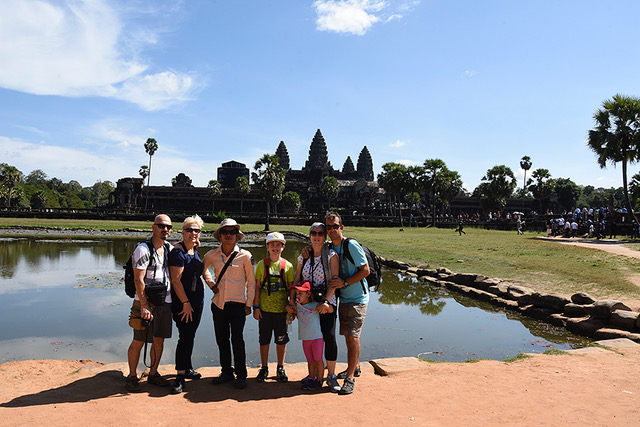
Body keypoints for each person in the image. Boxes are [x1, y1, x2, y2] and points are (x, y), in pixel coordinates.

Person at [203, 218, 255, 390]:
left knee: (237, 340)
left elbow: (251, 282)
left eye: (232, 232)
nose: (228, 235)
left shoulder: (245, 256)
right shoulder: (212, 255)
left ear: (236, 235)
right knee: (222, 340)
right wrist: (211, 284)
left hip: (238, 304)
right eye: (225, 232)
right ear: (220, 235)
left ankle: (241, 375)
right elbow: (204, 270)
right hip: (219, 304)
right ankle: (226, 372)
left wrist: (249, 304)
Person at [126, 214, 174, 392]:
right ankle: (132, 376)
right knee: (138, 340)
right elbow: (139, 280)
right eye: (161, 226)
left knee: (159, 340)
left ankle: (153, 373)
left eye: (168, 227)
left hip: (164, 301)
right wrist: (144, 305)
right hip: (144, 302)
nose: (165, 230)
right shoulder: (143, 249)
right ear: (153, 227)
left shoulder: (168, 248)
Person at [291, 222, 340, 392]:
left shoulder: (331, 255)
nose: (317, 236)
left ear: (325, 236)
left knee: (329, 336)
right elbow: (296, 280)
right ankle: (313, 375)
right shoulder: (303, 256)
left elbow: (334, 281)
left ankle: (331, 375)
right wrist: (292, 302)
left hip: (326, 302)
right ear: (310, 235)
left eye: (320, 233)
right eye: (314, 233)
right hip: (307, 304)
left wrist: (326, 301)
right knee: (310, 337)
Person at [325, 211, 370, 395]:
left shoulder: (351, 244)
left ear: (341, 227)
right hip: (343, 298)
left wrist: (344, 282)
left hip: (357, 297)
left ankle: (350, 378)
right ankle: (356, 367)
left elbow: (365, 270)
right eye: (328, 227)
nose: (332, 230)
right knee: (347, 336)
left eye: (335, 226)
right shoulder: (330, 248)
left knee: (353, 337)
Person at [168, 215, 210, 394]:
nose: (193, 233)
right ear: (182, 231)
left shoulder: (194, 249)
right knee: (184, 336)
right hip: (183, 302)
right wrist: (185, 302)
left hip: (197, 301)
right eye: (189, 230)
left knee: (190, 334)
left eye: (196, 230)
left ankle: (188, 368)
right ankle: (179, 376)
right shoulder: (178, 252)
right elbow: (176, 281)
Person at [252, 232, 295, 383]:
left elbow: (292, 289)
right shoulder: (261, 265)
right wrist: (255, 307)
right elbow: (257, 287)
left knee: (281, 340)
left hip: (282, 311)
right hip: (264, 310)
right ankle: (264, 367)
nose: (275, 248)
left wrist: (292, 306)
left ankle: (280, 367)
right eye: (272, 245)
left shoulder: (288, 266)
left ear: (283, 247)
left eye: (278, 245)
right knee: (264, 339)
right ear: (267, 247)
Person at [293, 281, 324, 391]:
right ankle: (311, 378)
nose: (297, 296)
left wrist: (325, 305)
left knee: (318, 360)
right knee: (310, 361)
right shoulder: (298, 305)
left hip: (317, 338)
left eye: (300, 293)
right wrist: (289, 308)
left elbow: (330, 309)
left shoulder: (315, 305)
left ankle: (319, 380)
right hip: (305, 339)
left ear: (308, 294)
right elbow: (290, 308)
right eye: (296, 293)